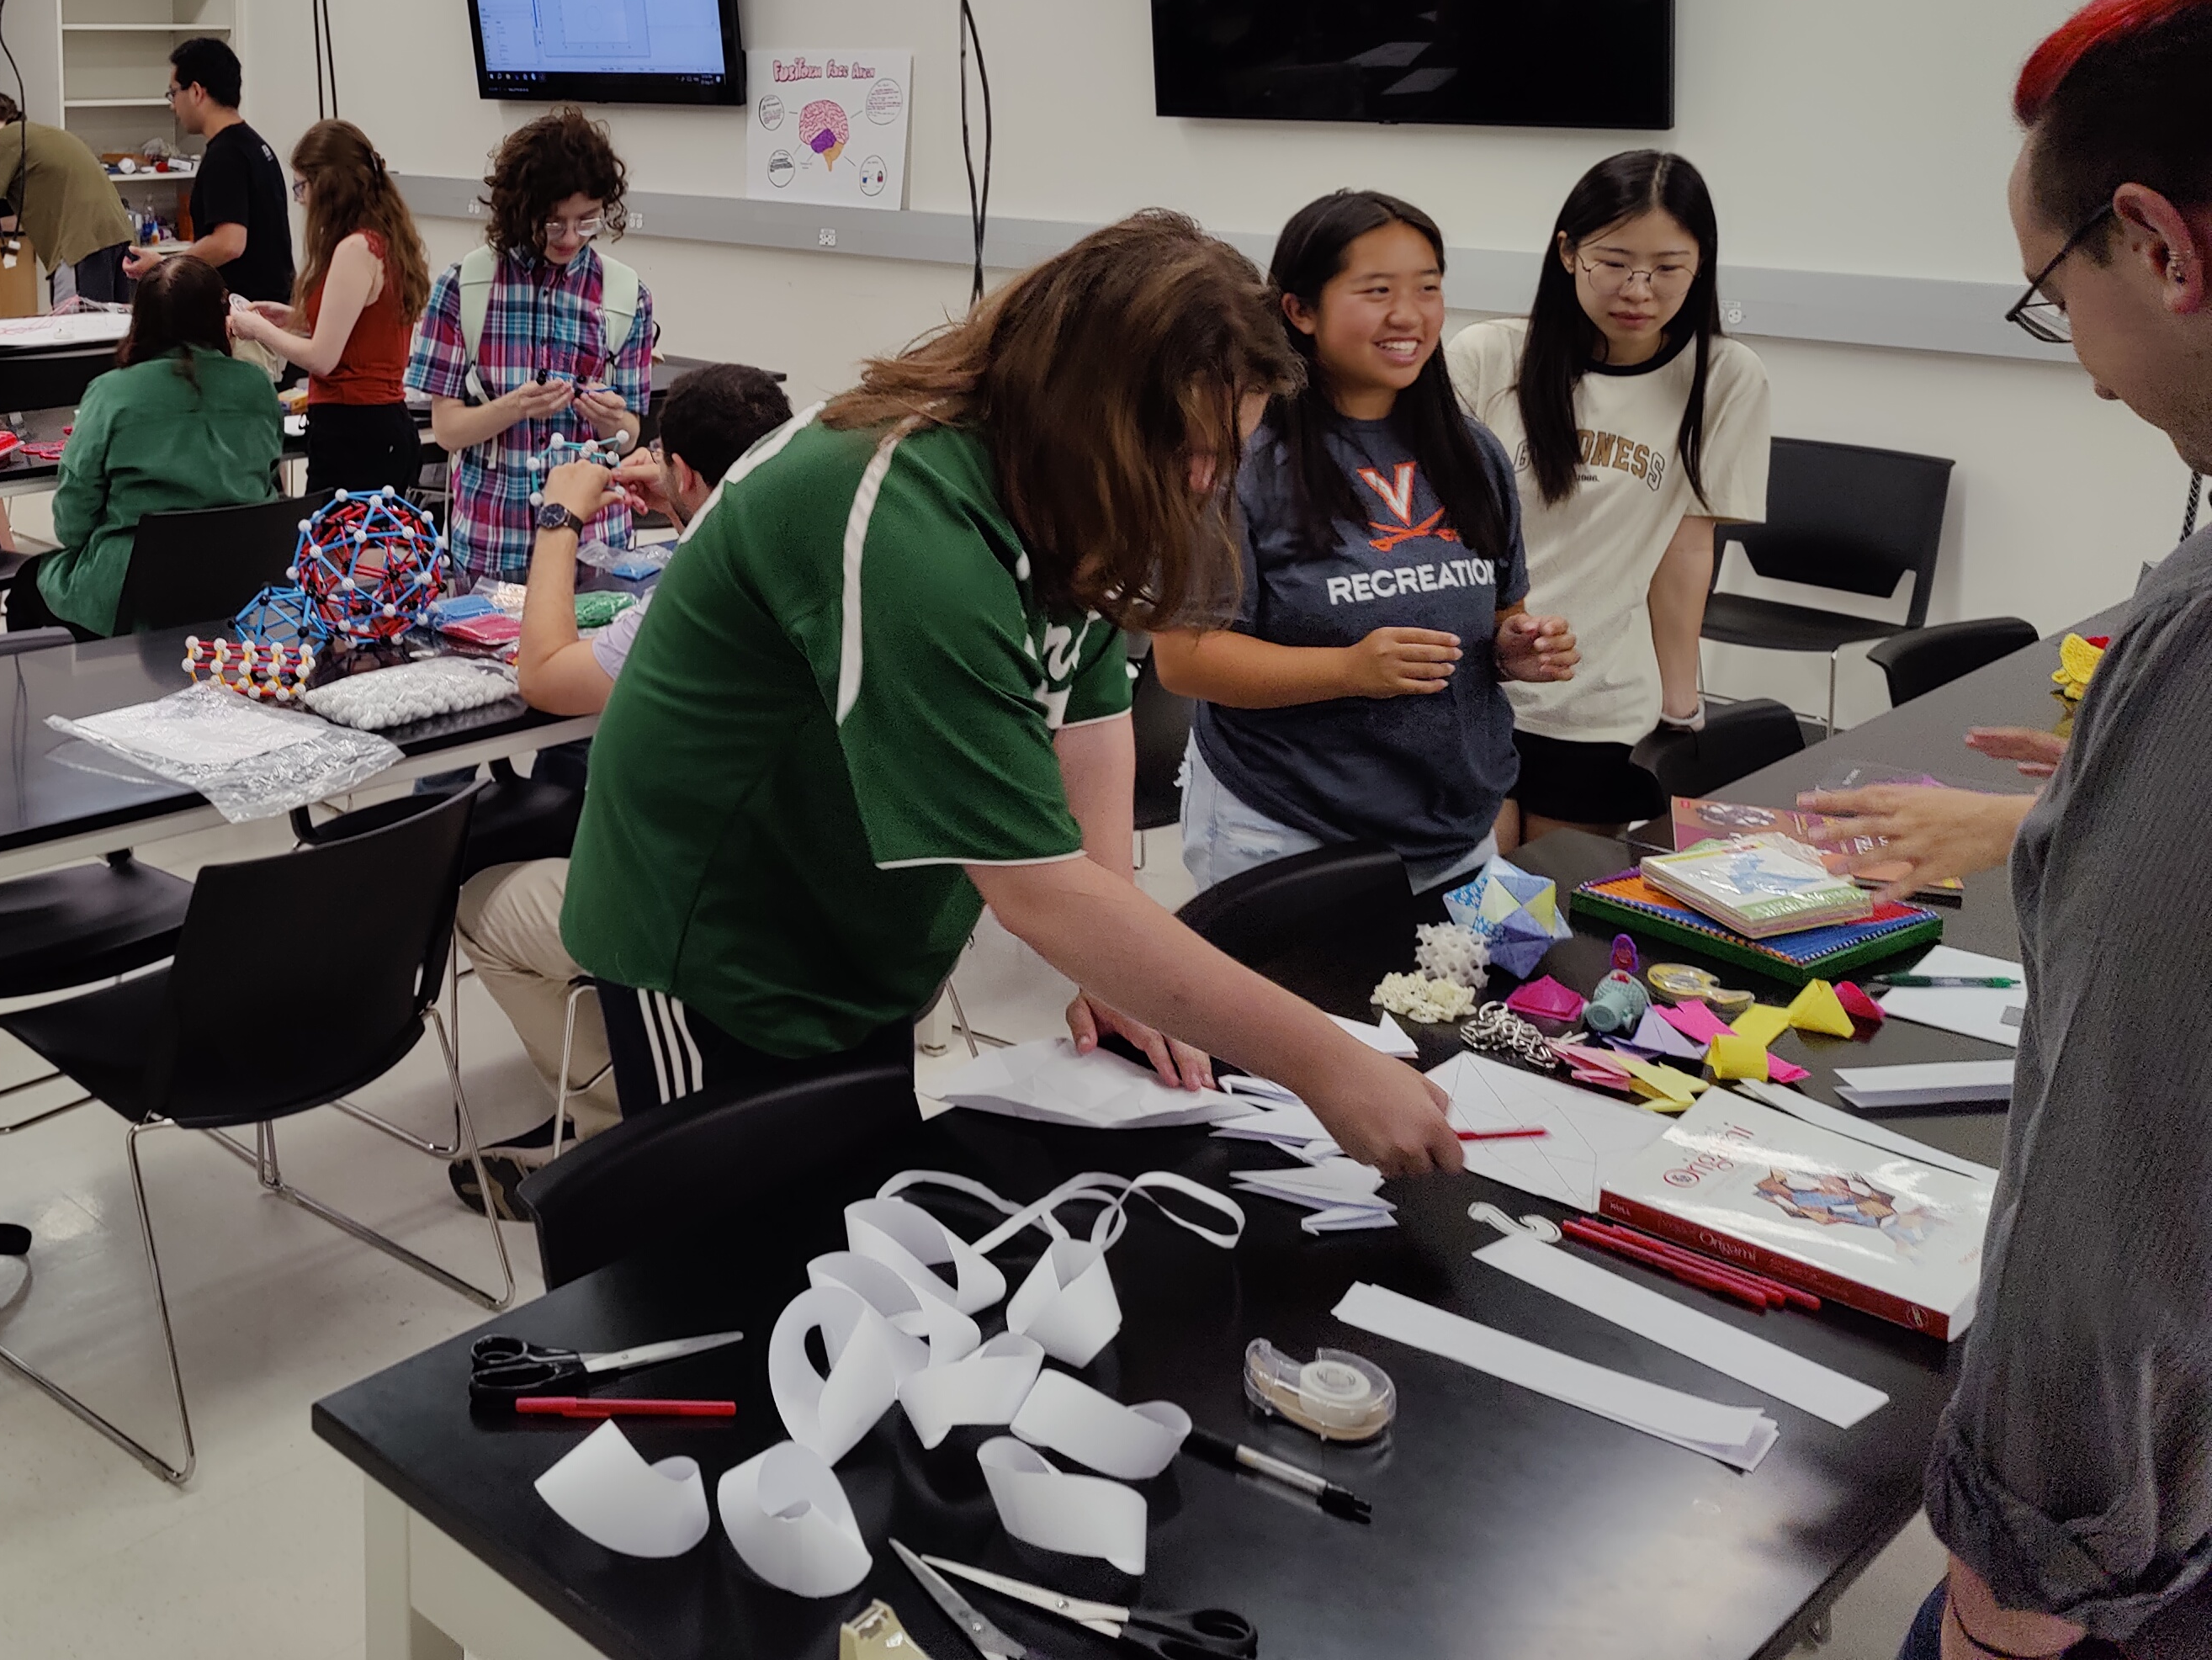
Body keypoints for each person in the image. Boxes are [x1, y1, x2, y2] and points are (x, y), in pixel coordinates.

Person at [560, 212, 1464, 1177]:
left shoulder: (1055, 474)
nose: (1201, 483)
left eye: (1223, 456)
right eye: (1187, 451)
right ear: (1087, 401)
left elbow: (1085, 705)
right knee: (729, 1245)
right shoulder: (901, 513)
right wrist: (1330, 1067)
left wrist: (1116, 962)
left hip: (855, 923)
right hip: (714, 935)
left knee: (840, 1209)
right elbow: (1034, 888)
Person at [1789, 0, 2212, 1660]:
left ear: (2157, 248)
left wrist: (2010, 1595)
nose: (2084, 369)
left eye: (2052, 293)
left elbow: (2121, 1204)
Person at [1152, 192, 1578, 894]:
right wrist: (1348, 670)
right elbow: (1187, 660)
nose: (1408, 315)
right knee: (1296, 1010)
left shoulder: (1471, 452)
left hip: (1457, 831)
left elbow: (1499, 611)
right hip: (1289, 833)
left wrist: (1515, 647)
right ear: (1300, 311)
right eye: (1376, 291)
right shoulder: (1238, 455)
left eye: (1428, 289)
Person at [454, 364, 792, 1197]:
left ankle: (618, 1139)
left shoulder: (699, 591)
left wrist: (558, 519)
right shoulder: (806, 546)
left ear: (682, 472)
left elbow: (545, 675)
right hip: (799, 877)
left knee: (481, 902)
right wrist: (684, 507)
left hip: (705, 908)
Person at [1446, 151, 1771, 847]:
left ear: (1701, 264)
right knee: (1473, 898)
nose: (1639, 289)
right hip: (1471, 686)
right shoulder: (1486, 357)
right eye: (1614, 261)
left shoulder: (1724, 378)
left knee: (1551, 908)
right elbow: (1434, 528)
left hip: (1595, 703)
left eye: (1667, 267)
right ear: (1568, 252)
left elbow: (1686, 546)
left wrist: (1681, 700)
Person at [407, 108, 657, 586]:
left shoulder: (626, 297)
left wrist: (610, 419)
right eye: (553, 222)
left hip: (594, 547)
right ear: (520, 210)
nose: (569, 238)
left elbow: (629, 434)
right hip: (493, 545)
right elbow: (448, 431)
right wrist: (515, 406)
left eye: (586, 221)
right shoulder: (466, 287)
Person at [6, 253, 284, 639]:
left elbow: (73, 519)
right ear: (223, 321)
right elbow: (270, 485)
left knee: (26, 586)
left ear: (141, 319)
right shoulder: (257, 387)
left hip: (132, 592)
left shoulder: (112, 392)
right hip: (240, 588)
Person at [229, 119, 432, 497]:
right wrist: (291, 319)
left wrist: (256, 329)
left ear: (328, 185)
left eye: (302, 187)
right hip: (375, 427)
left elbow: (323, 358)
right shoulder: (384, 241)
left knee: (338, 554)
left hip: (357, 432)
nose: (301, 200)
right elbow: (361, 328)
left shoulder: (356, 249)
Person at [130, 38, 289, 305]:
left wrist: (166, 268)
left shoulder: (225, 155)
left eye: (173, 93)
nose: (173, 106)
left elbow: (229, 243)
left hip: (245, 318)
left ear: (195, 92)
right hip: (269, 308)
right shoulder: (253, 144)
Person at [0, 89, 136, 308]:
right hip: (120, 239)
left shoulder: (5, 139)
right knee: (118, 330)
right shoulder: (40, 134)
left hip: (82, 247)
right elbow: (26, 220)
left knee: (77, 331)